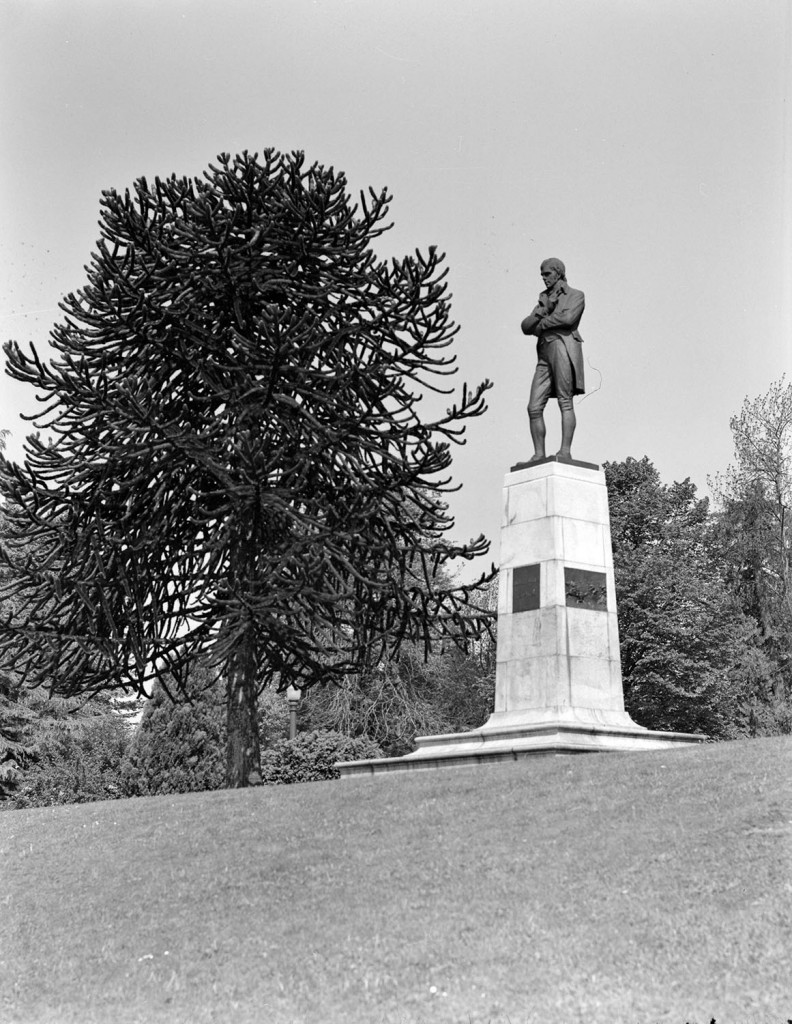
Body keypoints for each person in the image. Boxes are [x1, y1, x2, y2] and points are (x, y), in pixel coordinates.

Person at [521, 258, 585, 462]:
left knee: (565, 401)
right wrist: (543, 309)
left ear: (558, 273)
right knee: (533, 407)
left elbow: (568, 319)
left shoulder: (576, 295)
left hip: (561, 346)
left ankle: (565, 451)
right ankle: (539, 454)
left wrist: (541, 324)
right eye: (542, 274)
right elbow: (525, 326)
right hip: (544, 352)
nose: (544, 278)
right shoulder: (544, 299)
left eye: (547, 273)